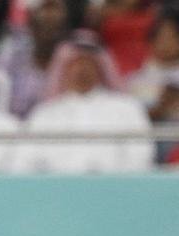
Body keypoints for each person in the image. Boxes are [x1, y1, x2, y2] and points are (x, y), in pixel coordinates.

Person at [19, 31, 153, 173]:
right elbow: (27, 160)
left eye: (88, 63)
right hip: (56, 190)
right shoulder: (45, 113)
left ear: (100, 67)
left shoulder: (126, 108)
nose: (81, 69)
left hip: (115, 189)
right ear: (64, 68)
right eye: (75, 63)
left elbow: (140, 155)